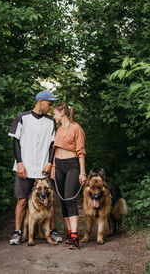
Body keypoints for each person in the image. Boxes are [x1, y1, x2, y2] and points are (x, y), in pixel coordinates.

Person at [8, 90, 62, 245]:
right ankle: (17, 232)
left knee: (49, 200)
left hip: (43, 168)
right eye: (49, 103)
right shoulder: (22, 118)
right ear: (40, 101)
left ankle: (52, 231)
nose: (51, 107)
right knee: (22, 200)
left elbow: (53, 144)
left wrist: (50, 162)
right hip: (25, 166)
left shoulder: (50, 121)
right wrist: (19, 163)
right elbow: (15, 141)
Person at [51, 103, 86, 249]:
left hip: (72, 165)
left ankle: (75, 236)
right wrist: (53, 166)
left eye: (55, 114)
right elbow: (55, 149)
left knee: (70, 199)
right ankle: (69, 233)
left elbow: (81, 151)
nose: (53, 116)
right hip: (58, 165)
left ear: (62, 113)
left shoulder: (76, 128)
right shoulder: (58, 129)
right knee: (63, 200)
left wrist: (82, 172)